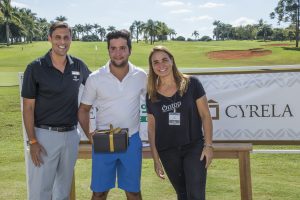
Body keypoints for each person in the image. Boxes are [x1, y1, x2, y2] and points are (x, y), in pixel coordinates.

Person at [21, 21, 91, 200]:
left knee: (63, 190)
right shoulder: (35, 68)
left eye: (66, 37)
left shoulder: (78, 66)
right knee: (40, 192)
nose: (62, 41)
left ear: (71, 39)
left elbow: (97, 87)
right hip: (44, 136)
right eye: (58, 37)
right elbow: (28, 108)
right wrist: (33, 141)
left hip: (70, 135)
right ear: (49, 39)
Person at [78, 30, 147, 200]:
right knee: (99, 193)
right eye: (113, 48)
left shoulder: (141, 76)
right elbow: (83, 110)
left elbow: (152, 107)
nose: (118, 53)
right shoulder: (95, 78)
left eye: (122, 48)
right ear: (108, 50)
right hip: (103, 142)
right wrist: (91, 136)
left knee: (133, 192)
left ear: (130, 50)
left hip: (132, 140)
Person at [146, 46, 213, 200]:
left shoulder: (192, 83)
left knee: (195, 194)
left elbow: (205, 115)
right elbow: (151, 128)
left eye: (164, 60)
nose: (161, 65)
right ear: (152, 67)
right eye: (155, 62)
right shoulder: (151, 94)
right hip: (167, 150)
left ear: (172, 61)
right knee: (182, 195)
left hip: (194, 146)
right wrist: (156, 159)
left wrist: (208, 146)